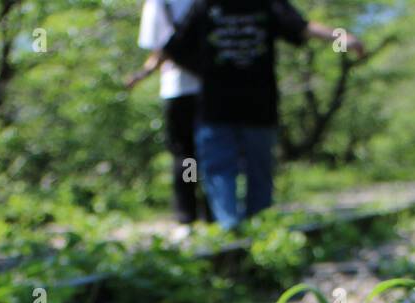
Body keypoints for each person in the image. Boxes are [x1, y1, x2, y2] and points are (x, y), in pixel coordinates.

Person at [154, 1, 364, 230]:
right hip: (220, 108)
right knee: (215, 169)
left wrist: (342, 38)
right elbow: (174, 47)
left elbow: (300, 27)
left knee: (252, 172)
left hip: (255, 108)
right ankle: (230, 230)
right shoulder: (205, 4)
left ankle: (252, 233)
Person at [126, 1, 208, 229]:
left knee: (187, 155)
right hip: (213, 86)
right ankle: (213, 211)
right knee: (211, 150)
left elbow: (161, 49)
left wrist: (142, 74)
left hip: (179, 88)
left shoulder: (160, 3)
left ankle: (188, 216)